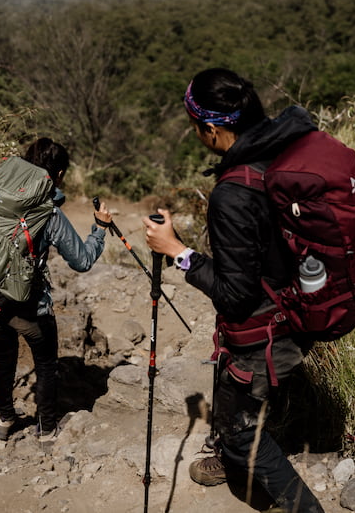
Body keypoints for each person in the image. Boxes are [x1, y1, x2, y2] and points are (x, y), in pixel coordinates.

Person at [143, 68, 325, 513]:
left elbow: (234, 295)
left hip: (265, 330)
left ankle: (303, 506)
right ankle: (230, 456)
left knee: (243, 435)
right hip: (300, 302)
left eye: (195, 126)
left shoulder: (234, 193)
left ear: (211, 129)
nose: (196, 134)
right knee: (237, 408)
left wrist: (178, 252)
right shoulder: (281, 150)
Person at [0, 137, 112, 443]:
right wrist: (100, 229)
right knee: (46, 364)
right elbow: (81, 261)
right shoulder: (49, 212)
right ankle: (47, 429)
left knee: (3, 360)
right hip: (30, 306)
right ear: (60, 174)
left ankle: (4, 419)